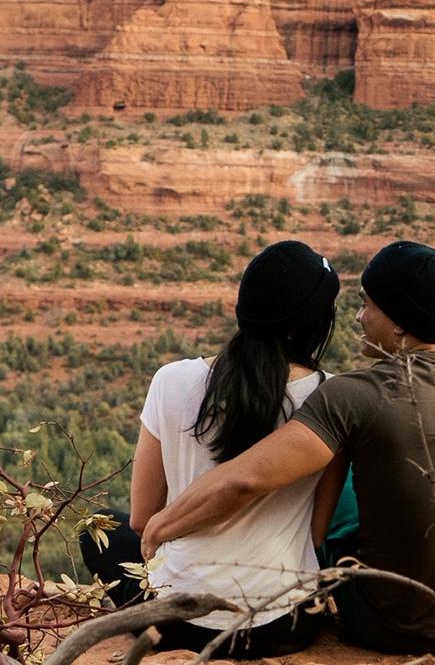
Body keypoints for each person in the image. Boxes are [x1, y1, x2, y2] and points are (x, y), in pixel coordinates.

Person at [142, 240, 435, 655]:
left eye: (367, 305)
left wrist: (164, 524)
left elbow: (246, 478)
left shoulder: (352, 394)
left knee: (344, 500)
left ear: (399, 324)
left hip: (386, 624)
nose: (358, 316)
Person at [80, 239, 347, 657]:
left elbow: (143, 519)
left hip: (176, 622)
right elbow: (315, 535)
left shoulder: (171, 380)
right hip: (283, 625)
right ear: (315, 323)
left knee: (100, 528)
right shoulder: (330, 400)